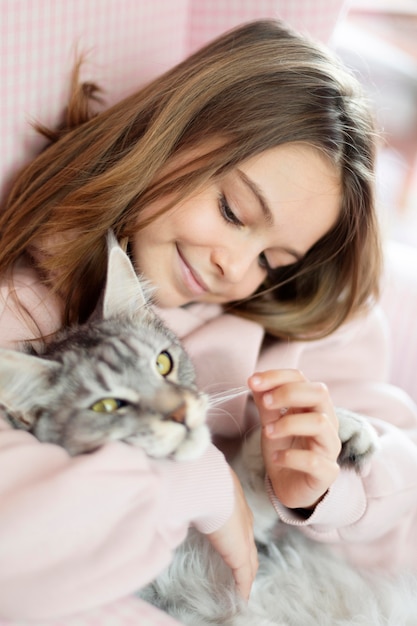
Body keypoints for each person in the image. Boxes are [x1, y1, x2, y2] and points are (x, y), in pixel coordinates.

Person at [0, 17, 416, 622]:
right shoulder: (23, 310)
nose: (236, 269)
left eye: (274, 259)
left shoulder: (295, 319)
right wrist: (198, 481)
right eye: (232, 210)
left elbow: (404, 516)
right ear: (163, 136)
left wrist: (334, 487)